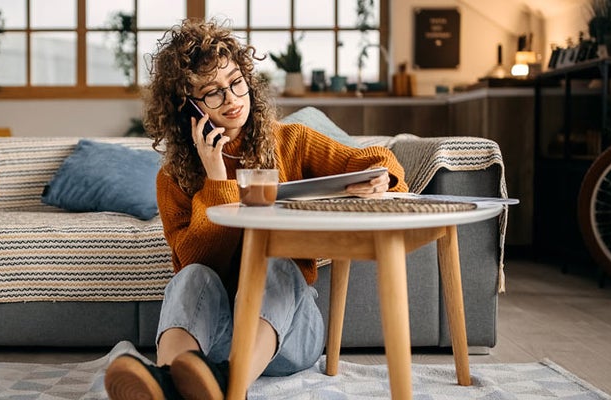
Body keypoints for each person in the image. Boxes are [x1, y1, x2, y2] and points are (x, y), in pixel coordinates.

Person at [104, 19, 408, 400]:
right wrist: (216, 181)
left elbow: (379, 158)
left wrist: (382, 180)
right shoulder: (174, 178)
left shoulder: (291, 141)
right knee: (191, 276)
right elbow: (198, 261)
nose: (231, 99)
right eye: (212, 93)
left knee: (277, 264)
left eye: (235, 83)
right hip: (212, 335)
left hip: (284, 336)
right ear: (188, 108)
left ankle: (228, 384)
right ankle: (172, 381)